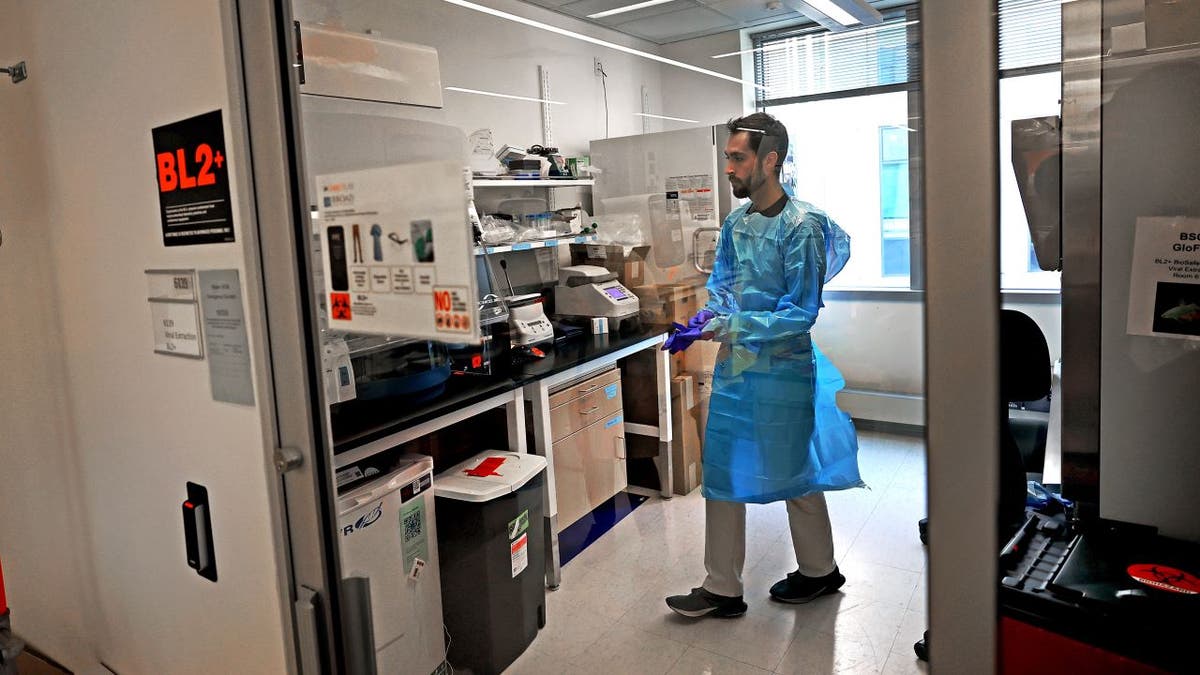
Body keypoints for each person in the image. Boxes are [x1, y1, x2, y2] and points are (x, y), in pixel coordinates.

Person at [663, 112, 862, 618]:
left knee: (796, 471)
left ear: (769, 160)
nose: (727, 166)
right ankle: (721, 588)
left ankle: (820, 570)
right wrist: (707, 318)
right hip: (738, 368)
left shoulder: (804, 227)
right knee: (722, 469)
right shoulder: (736, 223)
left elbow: (800, 313)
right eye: (727, 155)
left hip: (787, 369)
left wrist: (732, 327)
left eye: (737, 157)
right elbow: (727, 289)